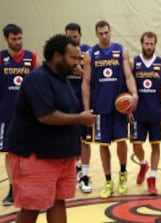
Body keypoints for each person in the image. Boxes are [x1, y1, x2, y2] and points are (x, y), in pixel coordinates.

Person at [5, 34, 96, 223]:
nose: (76, 63)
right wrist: (80, 118)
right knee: (32, 208)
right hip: (36, 156)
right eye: (73, 58)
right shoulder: (37, 79)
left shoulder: (62, 80)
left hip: (60, 155)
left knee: (58, 202)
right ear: (57, 56)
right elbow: (46, 115)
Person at [82, 20, 138, 199]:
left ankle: (122, 173)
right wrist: (85, 110)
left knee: (121, 141)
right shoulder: (91, 54)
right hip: (100, 107)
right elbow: (86, 83)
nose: (104, 36)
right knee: (103, 145)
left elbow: (128, 75)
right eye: (101, 34)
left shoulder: (121, 51)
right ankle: (108, 180)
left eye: (106, 32)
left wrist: (134, 95)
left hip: (119, 107)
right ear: (96, 34)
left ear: (110, 32)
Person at [129, 31, 161, 195]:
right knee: (136, 145)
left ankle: (152, 179)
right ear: (141, 44)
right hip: (138, 113)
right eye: (146, 43)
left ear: (155, 44)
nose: (149, 46)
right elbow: (126, 85)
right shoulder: (133, 63)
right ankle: (143, 163)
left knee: (155, 145)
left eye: (151, 44)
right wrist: (127, 108)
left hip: (156, 112)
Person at [0, 24, 38, 206]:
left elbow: (39, 85)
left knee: (31, 152)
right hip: (5, 113)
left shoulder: (32, 58)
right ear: (6, 39)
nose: (18, 42)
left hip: (28, 115)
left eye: (20, 38)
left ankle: (30, 186)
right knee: (9, 153)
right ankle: (12, 189)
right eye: (14, 39)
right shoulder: (1, 58)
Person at [65, 22, 92, 193]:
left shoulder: (88, 52)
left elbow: (93, 77)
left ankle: (85, 175)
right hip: (65, 101)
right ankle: (73, 171)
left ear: (80, 36)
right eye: (69, 37)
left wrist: (80, 71)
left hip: (82, 101)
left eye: (74, 36)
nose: (72, 39)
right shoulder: (60, 54)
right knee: (67, 139)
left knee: (84, 140)